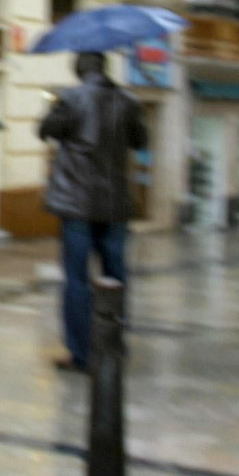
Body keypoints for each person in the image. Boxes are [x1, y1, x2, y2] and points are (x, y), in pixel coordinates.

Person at [39, 51, 147, 373]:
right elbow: (141, 140)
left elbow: (46, 130)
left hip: (76, 205)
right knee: (116, 276)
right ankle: (113, 345)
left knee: (76, 280)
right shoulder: (128, 101)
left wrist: (58, 112)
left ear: (80, 70)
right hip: (114, 206)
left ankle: (81, 353)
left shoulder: (71, 98)